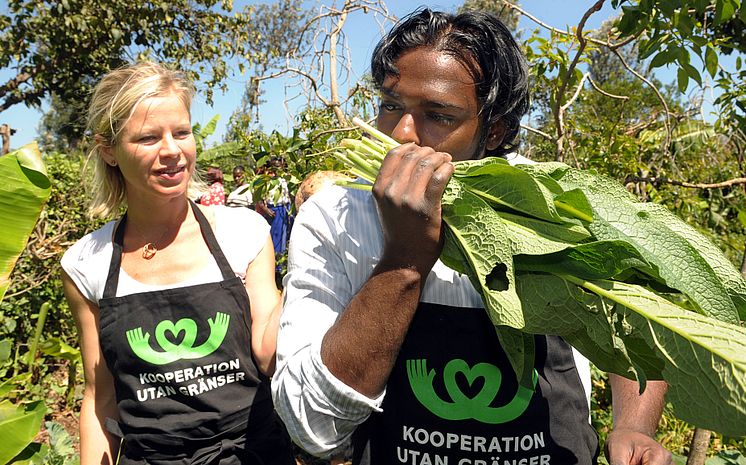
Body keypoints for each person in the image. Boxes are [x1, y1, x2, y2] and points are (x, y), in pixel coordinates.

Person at [271, 9, 672, 465]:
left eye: (437, 115)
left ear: (494, 129)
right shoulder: (334, 218)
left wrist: (635, 426)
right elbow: (311, 428)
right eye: (390, 105)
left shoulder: (556, 204)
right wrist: (404, 260)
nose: (402, 134)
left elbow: (634, 321)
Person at [60, 61, 295, 465]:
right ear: (108, 150)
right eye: (148, 137)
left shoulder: (243, 233)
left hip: (252, 452)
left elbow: (267, 354)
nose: (172, 151)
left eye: (181, 132)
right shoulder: (86, 263)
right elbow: (101, 400)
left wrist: (307, 275)